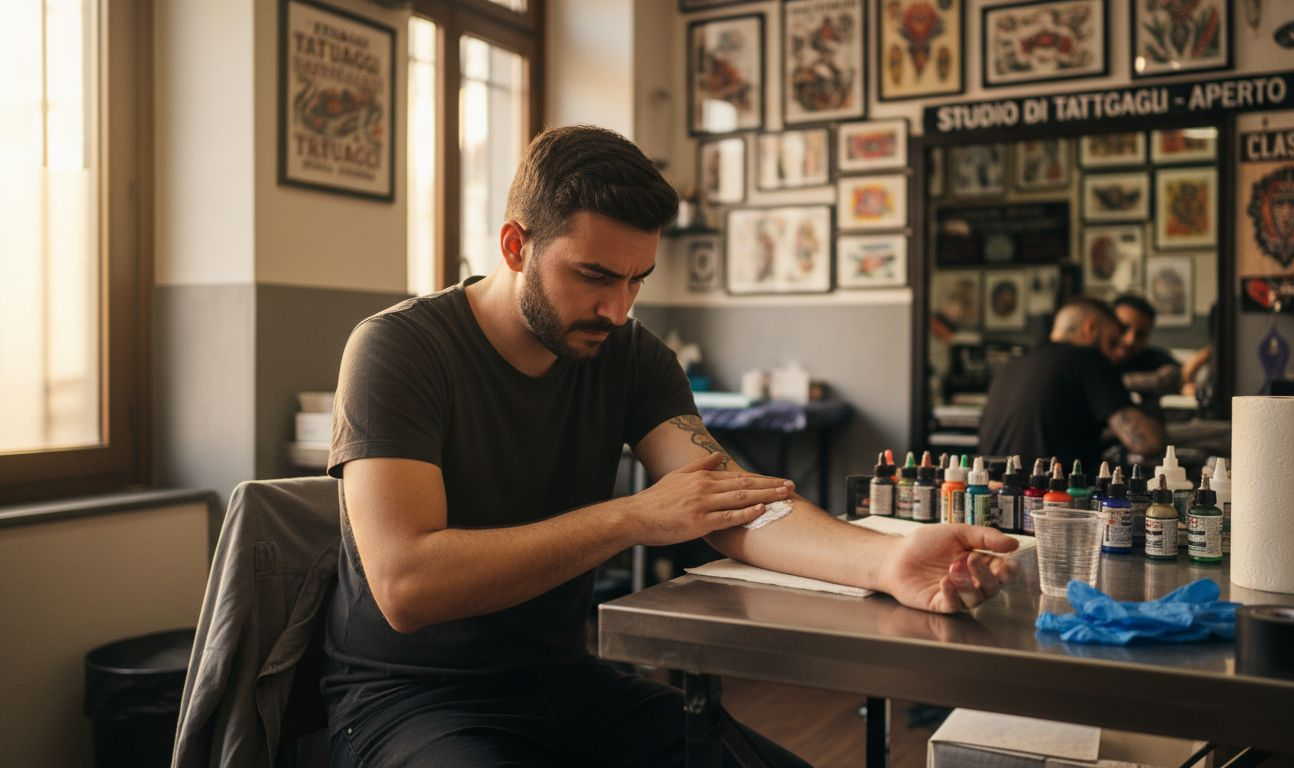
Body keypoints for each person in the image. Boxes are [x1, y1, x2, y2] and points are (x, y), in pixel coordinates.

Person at [322, 125, 1018, 767]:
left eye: (637, 281)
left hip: (566, 681)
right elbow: (407, 585)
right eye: (595, 276)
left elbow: (730, 502)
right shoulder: (398, 348)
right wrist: (634, 516)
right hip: (412, 698)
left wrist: (892, 560)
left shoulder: (628, 355)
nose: (618, 310)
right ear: (515, 246)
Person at [978, 296, 1166, 470]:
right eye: (1112, 342)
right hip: (1051, 498)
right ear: (1090, 329)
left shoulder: (1011, 366)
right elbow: (1147, 443)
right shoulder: (1089, 360)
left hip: (990, 494)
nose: (1116, 354)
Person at [1112, 294, 1182, 420]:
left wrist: (1117, 382)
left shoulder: (1152, 357)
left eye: (1140, 334)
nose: (1130, 340)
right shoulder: (1090, 359)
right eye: (1123, 328)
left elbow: (1174, 375)